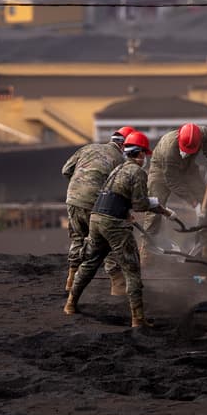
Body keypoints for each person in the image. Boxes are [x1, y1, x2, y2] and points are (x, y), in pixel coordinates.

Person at [65, 131, 173, 328]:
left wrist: (153, 210)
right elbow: (139, 205)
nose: (145, 159)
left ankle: (70, 304)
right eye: (144, 155)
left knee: (90, 262)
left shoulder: (117, 169)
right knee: (132, 270)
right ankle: (138, 319)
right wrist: (156, 204)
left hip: (97, 218)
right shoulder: (137, 172)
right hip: (114, 224)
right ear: (139, 154)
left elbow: (113, 195)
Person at [61, 126, 135, 294]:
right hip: (97, 203)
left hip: (73, 199)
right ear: (124, 146)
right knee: (108, 240)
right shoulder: (121, 161)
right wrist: (126, 213)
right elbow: (120, 191)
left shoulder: (88, 148)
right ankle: (117, 285)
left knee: (77, 238)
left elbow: (66, 170)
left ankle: (71, 280)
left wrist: (80, 186)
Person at [142, 122, 207, 238]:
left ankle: (206, 244)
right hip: (161, 170)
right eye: (185, 149)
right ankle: (150, 245)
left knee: (204, 199)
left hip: (188, 168)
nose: (186, 153)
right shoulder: (169, 150)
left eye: (190, 150)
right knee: (155, 207)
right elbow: (173, 182)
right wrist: (194, 204)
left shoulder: (202, 132)